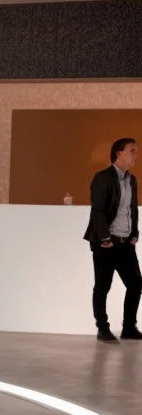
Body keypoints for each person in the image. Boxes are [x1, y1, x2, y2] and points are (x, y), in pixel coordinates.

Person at [84, 137, 140, 342]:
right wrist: (104, 237)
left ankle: (129, 328)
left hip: (126, 243)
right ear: (119, 153)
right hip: (106, 243)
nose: (136, 155)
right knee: (103, 286)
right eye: (132, 151)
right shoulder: (103, 177)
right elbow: (97, 211)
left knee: (135, 285)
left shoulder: (131, 180)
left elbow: (132, 210)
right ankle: (102, 328)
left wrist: (135, 233)